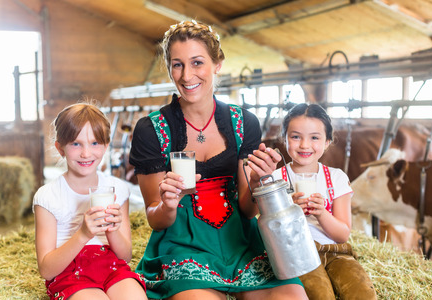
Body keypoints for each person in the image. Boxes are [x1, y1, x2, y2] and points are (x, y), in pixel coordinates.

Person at [129, 20, 308, 299]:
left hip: (241, 241)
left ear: (217, 64)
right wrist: (167, 204)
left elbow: (247, 210)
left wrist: (260, 182)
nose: (187, 75)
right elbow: (156, 219)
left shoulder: (243, 123)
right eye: (177, 64)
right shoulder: (150, 129)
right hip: (183, 245)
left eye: (197, 62)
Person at [253, 103, 377, 299]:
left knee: (362, 293)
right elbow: (271, 234)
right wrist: (289, 211)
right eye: (295, 137)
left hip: (338, 253)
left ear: (327, 141)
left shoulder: (336, 178)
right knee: (320, 295)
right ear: (284, 139)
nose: (304, 145)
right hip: (297, 254)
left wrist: (321, 212)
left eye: (314, 138)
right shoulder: (275, 179)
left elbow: (342, 235)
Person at [33, 102, 147, 300]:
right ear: (60, 148)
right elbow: (47, 270)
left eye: (95, 143)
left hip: (112, 268)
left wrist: (112, 230)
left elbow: (125, 256)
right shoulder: (47, 196)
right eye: (76, 144)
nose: (86, 153)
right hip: (69, 272)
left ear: (106, 145)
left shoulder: (118, 190)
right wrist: (84, 234)